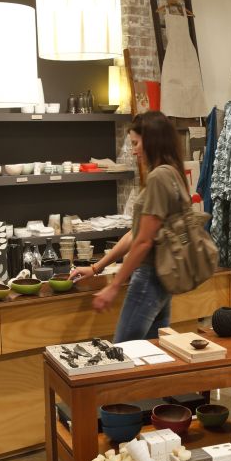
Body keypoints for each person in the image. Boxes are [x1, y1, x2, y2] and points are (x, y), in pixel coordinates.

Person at [71, 111, 188, 342]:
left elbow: (143, 242)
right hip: (164, 278)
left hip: (149, 278)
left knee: (122, 352)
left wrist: (114, 286)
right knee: (153, 353)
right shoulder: (174, 173)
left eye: (136, 143)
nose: (133, 150)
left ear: (152, 140)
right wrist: (96, 268)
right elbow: (136, 234)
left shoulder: (158, 178)